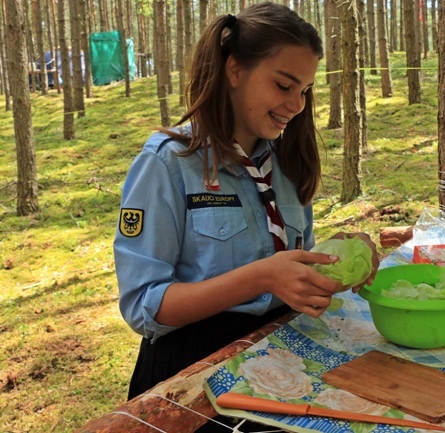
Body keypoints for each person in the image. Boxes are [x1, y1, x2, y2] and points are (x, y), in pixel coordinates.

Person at [113, 2, 379, 431]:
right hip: (193, 378)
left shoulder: (286, 163)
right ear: (235, 71)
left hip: (280, 363)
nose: (296, 104)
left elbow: (288, 263)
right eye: (283, 85)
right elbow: (144, 306)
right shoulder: (168, 164)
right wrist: (260, 278)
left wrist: (340, 257)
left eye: (305, 90)